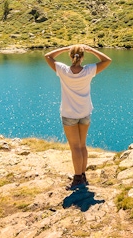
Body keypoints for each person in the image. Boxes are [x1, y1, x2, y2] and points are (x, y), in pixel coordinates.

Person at [44, 44, 112, 189]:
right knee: (82, 145)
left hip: (69, 114)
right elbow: (107, 60)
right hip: (85, 112)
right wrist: (92, 49)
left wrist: (65, 48)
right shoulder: (89, 70)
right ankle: (83, 175)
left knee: (75, 147)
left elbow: (48, 56)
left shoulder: (63, 70)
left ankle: (77, 179)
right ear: (82, 57)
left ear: (70, 56)